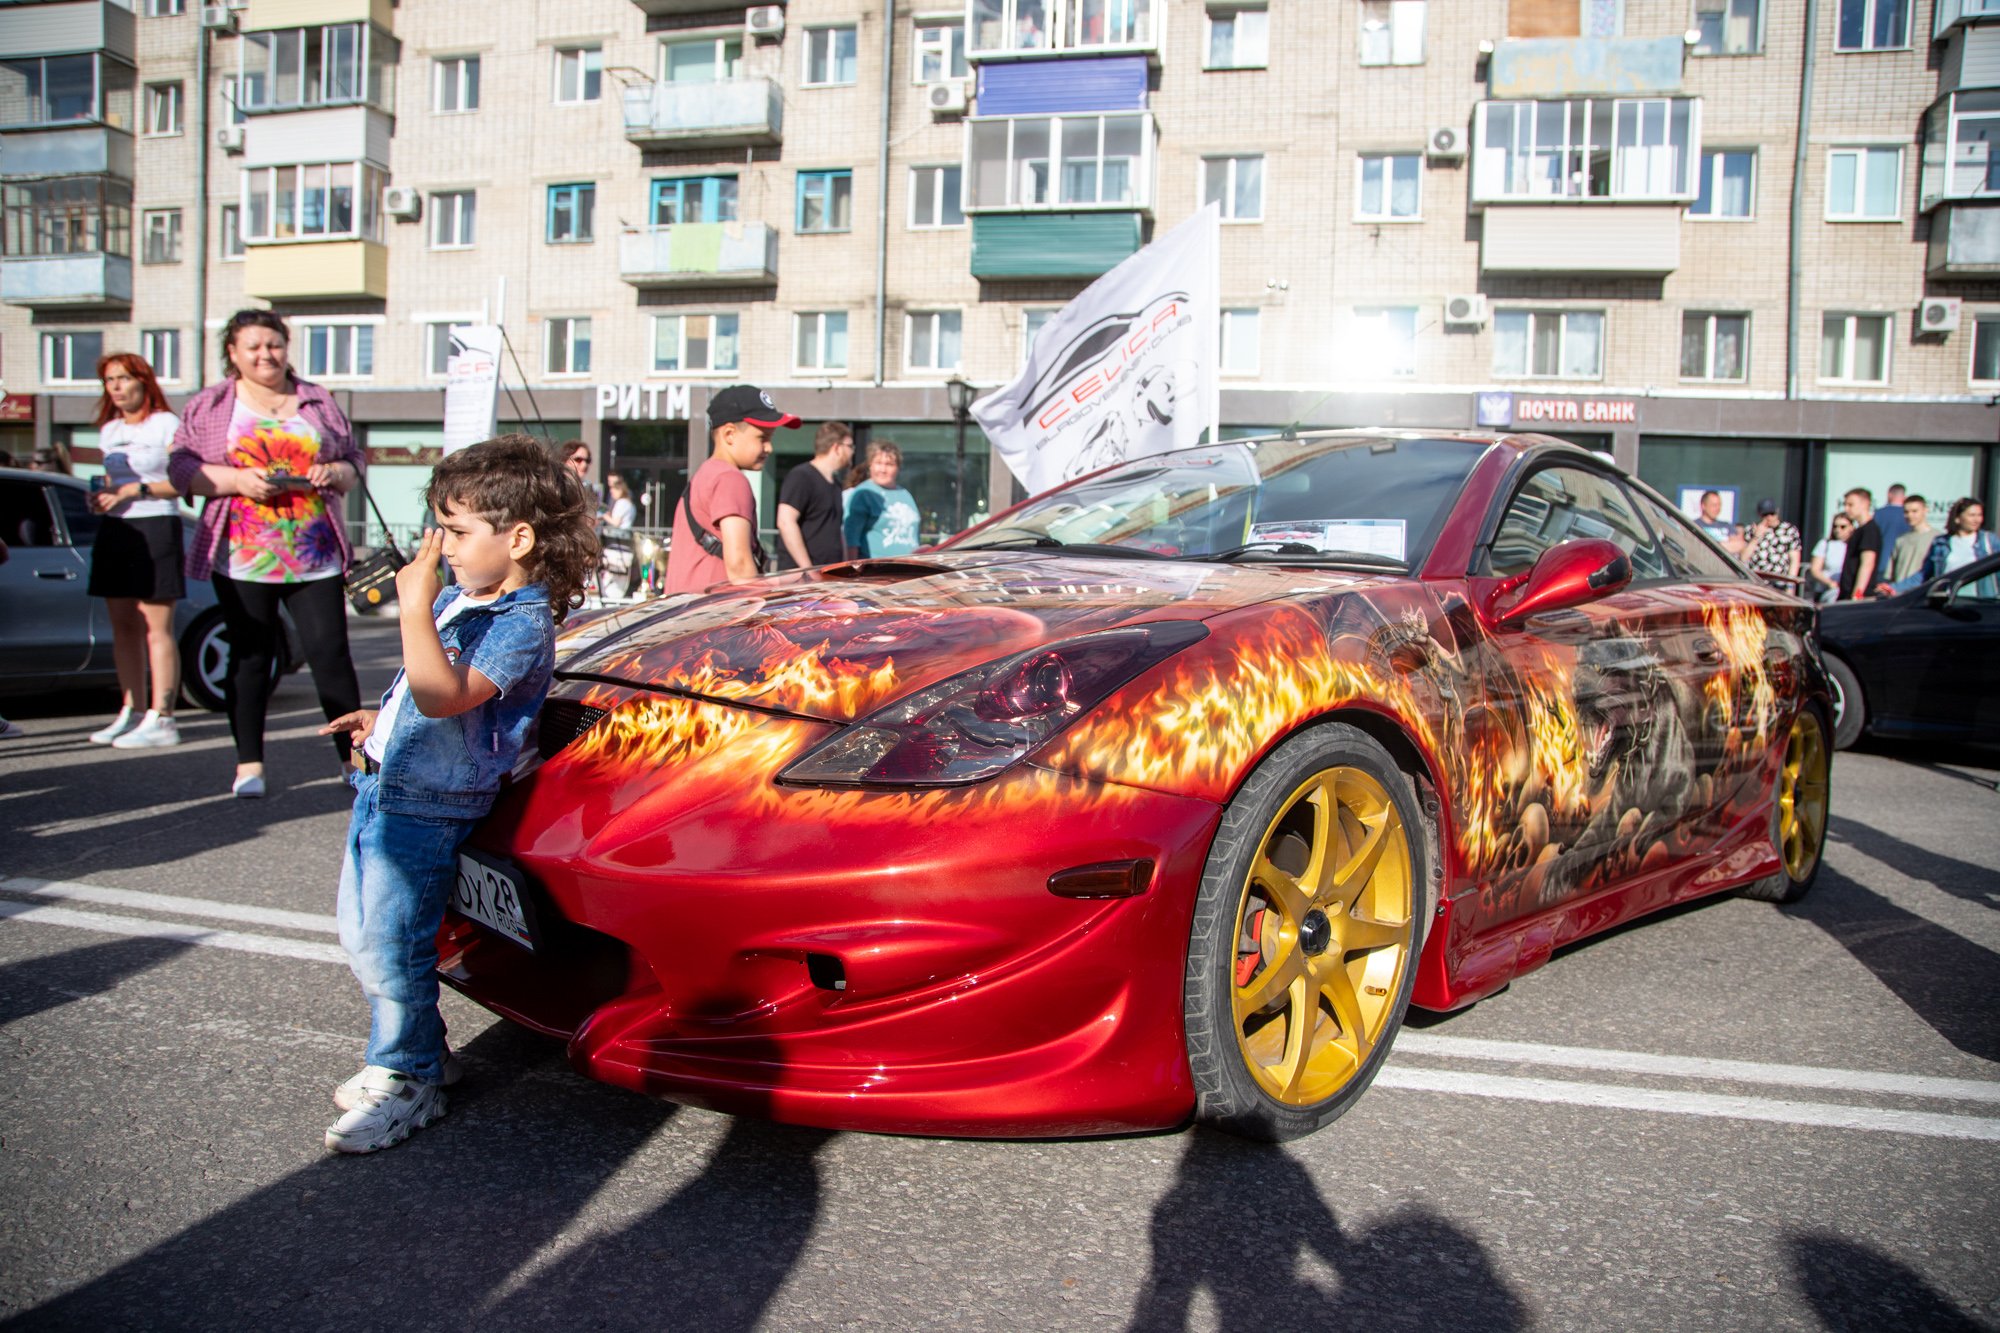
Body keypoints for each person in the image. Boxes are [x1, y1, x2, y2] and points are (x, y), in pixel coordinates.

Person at [316, 435, 596, 1154]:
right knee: (364, 933)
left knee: (395, 943)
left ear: (520, 537)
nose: (440, 548)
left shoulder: (519, 624)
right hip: (385, 785)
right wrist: (382, 721)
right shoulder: (464, 597)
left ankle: (408, 1076)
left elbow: (446, 697)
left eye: (459, 532)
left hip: (430, 804)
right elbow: (420, 692)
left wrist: (413, 608)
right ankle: (421, 1054)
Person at [167, 309, 366, 798]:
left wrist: (334, 472)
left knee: (331, 656)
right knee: (251, 657)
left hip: (314, 550)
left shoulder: (316, 399)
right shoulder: (212, 404)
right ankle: (249, 764)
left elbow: (353, 460)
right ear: (232, 353)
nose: (265, 355)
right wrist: (236, 480)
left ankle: (354, 761)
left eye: (274, 344)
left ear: (286, 346)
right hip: (242, 554)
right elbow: (180, 466)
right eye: (253, 346)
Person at [85, 353, 185, 749]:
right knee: (122, 624)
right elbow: (110, 481)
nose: (117, 387)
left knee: (155, 626)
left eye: (124, 378)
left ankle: (163, 715)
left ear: (143, 381)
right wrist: (103, 497)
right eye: (110, 380)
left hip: (157, 522)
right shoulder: (108, 430)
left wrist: (135, 490)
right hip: (117, 529)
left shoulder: (166, 423)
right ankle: (131, 709)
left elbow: (181, 482)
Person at [664, 385, 799, 595]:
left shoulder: (707, 474)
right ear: (729, 434)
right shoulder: (730, 479)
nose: (769, 448)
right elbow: (740, 567)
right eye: (762, 438)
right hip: (716, 615)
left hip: (687, 613)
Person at [776, 421, 854, 569]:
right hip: (800, 579)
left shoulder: (836, 484)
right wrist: (808, 569)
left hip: (828, 576)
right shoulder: (801, 476)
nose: (852, 452)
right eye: (849, 446)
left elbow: (836, 530)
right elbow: (785, 522)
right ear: (836, 448)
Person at [1887, 497, 1999, 597]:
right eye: (1972, 515)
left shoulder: (1988, 541)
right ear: (1958, 518)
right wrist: (1894, 587)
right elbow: (1924, 574)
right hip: (1949, 601)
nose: (1977, 520)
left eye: (1979, 515)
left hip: (1980, 603)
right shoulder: (1941, 543)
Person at [843, 439, 922, 559]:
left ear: (898, 468)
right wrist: (852, 570)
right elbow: (851, 537)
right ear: (870, 465)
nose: (883, 469)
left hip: (909, 568)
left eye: (889, 464)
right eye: (878, 463)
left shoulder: (905, 494)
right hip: (877, 570)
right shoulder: (864, 493)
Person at [1740, 497, 1802, 586]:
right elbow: (1743, 558)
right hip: (1756, 581)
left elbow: (1794, 559)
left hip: (1779, 582)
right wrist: (1756, 537)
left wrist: (1790, 585)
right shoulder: (1751, 530)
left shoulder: (1789, 530)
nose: (1769, 517)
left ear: (1777, 512)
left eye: (1772, 514)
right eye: (1765, 515)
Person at [1836, 487, 1884, 601]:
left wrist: (1857, 594)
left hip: (1859, 597)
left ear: (1865, 504)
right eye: (1845, 505)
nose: (1847, 509)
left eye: (1851, 505)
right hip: (1846, 593)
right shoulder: (1859, 530)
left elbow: (1867, 563)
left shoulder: (1869, 530)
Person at [1885, 493, 1936, 585]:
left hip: (1922, 593)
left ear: (1925, 510)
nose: (1910, 515)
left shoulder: (1936, 538)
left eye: (1914, 511)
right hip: (1900, 594)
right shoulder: (1900, 540)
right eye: (1906, 512)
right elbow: (1891, 574)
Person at [1808, 514, 1852, 605]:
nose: (1838, 530)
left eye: (1843, 527)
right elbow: (1815, 570)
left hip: (1847, 590)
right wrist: (1830, 583)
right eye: (1835, 526)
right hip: (1826, 590)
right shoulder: (1825, 544)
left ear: (1851, 527)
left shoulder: (1853, 545)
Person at [1874, 482, 1910, 556]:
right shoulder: (1910, 515)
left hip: (1883, 558)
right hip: (1904, 557)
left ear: (1889, 495)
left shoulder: (1879, 513)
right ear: (1904, 496)